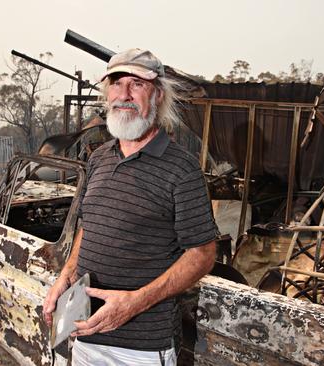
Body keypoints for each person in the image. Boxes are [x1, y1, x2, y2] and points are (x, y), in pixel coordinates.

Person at [42, 48, 217, 365]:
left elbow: (202, 255)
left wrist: (133, 303)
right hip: (84, 334)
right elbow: (88, 225)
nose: (124, 94)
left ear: (158, 95)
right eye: (116, 83)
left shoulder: (182, 169)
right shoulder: (98, 158)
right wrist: (66, 275)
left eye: (137, 84)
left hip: (140, 349)